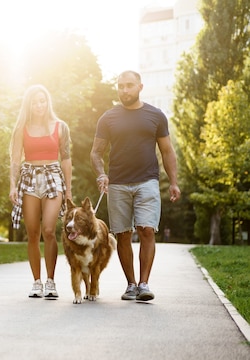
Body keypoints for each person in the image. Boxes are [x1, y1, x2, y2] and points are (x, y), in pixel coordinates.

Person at [90, 70, 181, 302]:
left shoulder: (156, 115)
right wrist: (101, 174)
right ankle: (130, 284)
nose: (124, 90)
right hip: (118, 183)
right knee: (122, 234)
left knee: (147, 229)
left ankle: (144, 283)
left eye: (129, 85)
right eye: (120, 86)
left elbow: (167, 151)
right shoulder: (108, 118)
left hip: (147, 181)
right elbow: (96, 153)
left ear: (140, 86)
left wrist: (173, 182)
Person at [10, 84, 72, 299]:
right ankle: (36, 282)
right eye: (35, 102)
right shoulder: (21, 128)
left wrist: (69, 191)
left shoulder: (60, 126)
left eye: (43, 101)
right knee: (33, 233)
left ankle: (51, 281)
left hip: (53, 177)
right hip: (29, 178)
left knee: (48, 230)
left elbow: (66, 159)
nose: (39, 105)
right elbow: (15, 159)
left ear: (48, 103)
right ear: (29, 104)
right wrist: (12, 186)